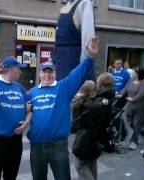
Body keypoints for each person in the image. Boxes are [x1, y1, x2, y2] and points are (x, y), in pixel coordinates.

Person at [27, 37, 99, 180]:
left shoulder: (63, 87)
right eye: (44, 72)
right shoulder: (32, 92)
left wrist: (90, 56)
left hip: (58, 146)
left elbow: (79, 73)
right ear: (40, 74)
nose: (47, 75)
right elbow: (20, 111)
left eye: (50, 72)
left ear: (55, 73)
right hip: (37, 146)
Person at [72, 73, 114, 180]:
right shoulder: (104, 98)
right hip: (96, 139)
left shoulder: (97, 102)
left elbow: (78, 122)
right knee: (91, 165)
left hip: (86, 139)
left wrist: (97, 106)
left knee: (81, 165)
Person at [54, 0, 95, 80]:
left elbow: (88, 40)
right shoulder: (64, 8)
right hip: (60, 65)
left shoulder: (85, 4)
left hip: (73, 62)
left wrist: (84, 70)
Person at [121, 67, 144, 150]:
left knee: (137, 123)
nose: (132, 74)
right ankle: (141, 131)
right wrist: (120, 94)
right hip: (131, 106)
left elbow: (142, 93)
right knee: (130, 122)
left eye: (133, 72)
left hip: (141, 106)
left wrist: (133, 99)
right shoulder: (131, 80)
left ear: (138, 73)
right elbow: (125, 89)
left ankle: (134, 142)